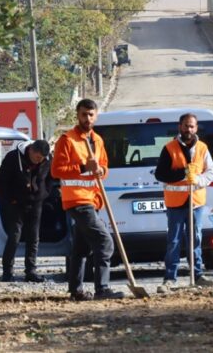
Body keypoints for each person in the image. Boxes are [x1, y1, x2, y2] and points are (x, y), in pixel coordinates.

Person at [51, 99, 125, 301]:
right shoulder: (67, 140)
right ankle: (103, 288)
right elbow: (56, 170)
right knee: (105, 241)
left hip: (93, 199)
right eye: (84, 114)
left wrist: (100, 170)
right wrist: (84, 167)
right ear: (78, 114)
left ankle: (76, 290)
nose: (87, 118)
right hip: (77, 200)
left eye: (91, 114)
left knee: (82, 248)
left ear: (96, 115)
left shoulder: (98, 140)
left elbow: (104, 168)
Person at [155, 113, 213, 293]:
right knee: (174, 241)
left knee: (195, 238)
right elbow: (160, 174)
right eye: (185, 126)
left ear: (196, 128)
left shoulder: (203, 148)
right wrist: (182, 174)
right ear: (179, 127)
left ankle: (197, 275)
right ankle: (169, 278)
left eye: (192, 126)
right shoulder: (169, 148)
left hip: (195, 202)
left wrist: (197, 179)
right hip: (175, 203)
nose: (188, 129)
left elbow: (210, 173)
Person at [0, 139, 52, 283]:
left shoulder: (47, 160)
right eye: (37, 158)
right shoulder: (13, 158)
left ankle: (31, 271)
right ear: (31, 150)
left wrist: (45, 194)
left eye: (42, 159)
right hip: (16, 203)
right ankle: (7, 272)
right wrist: (10, 199)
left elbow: (51, 178)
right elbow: (1, 181)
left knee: (34, 237)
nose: (39, 162)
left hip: (36, 202)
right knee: (14, 236)